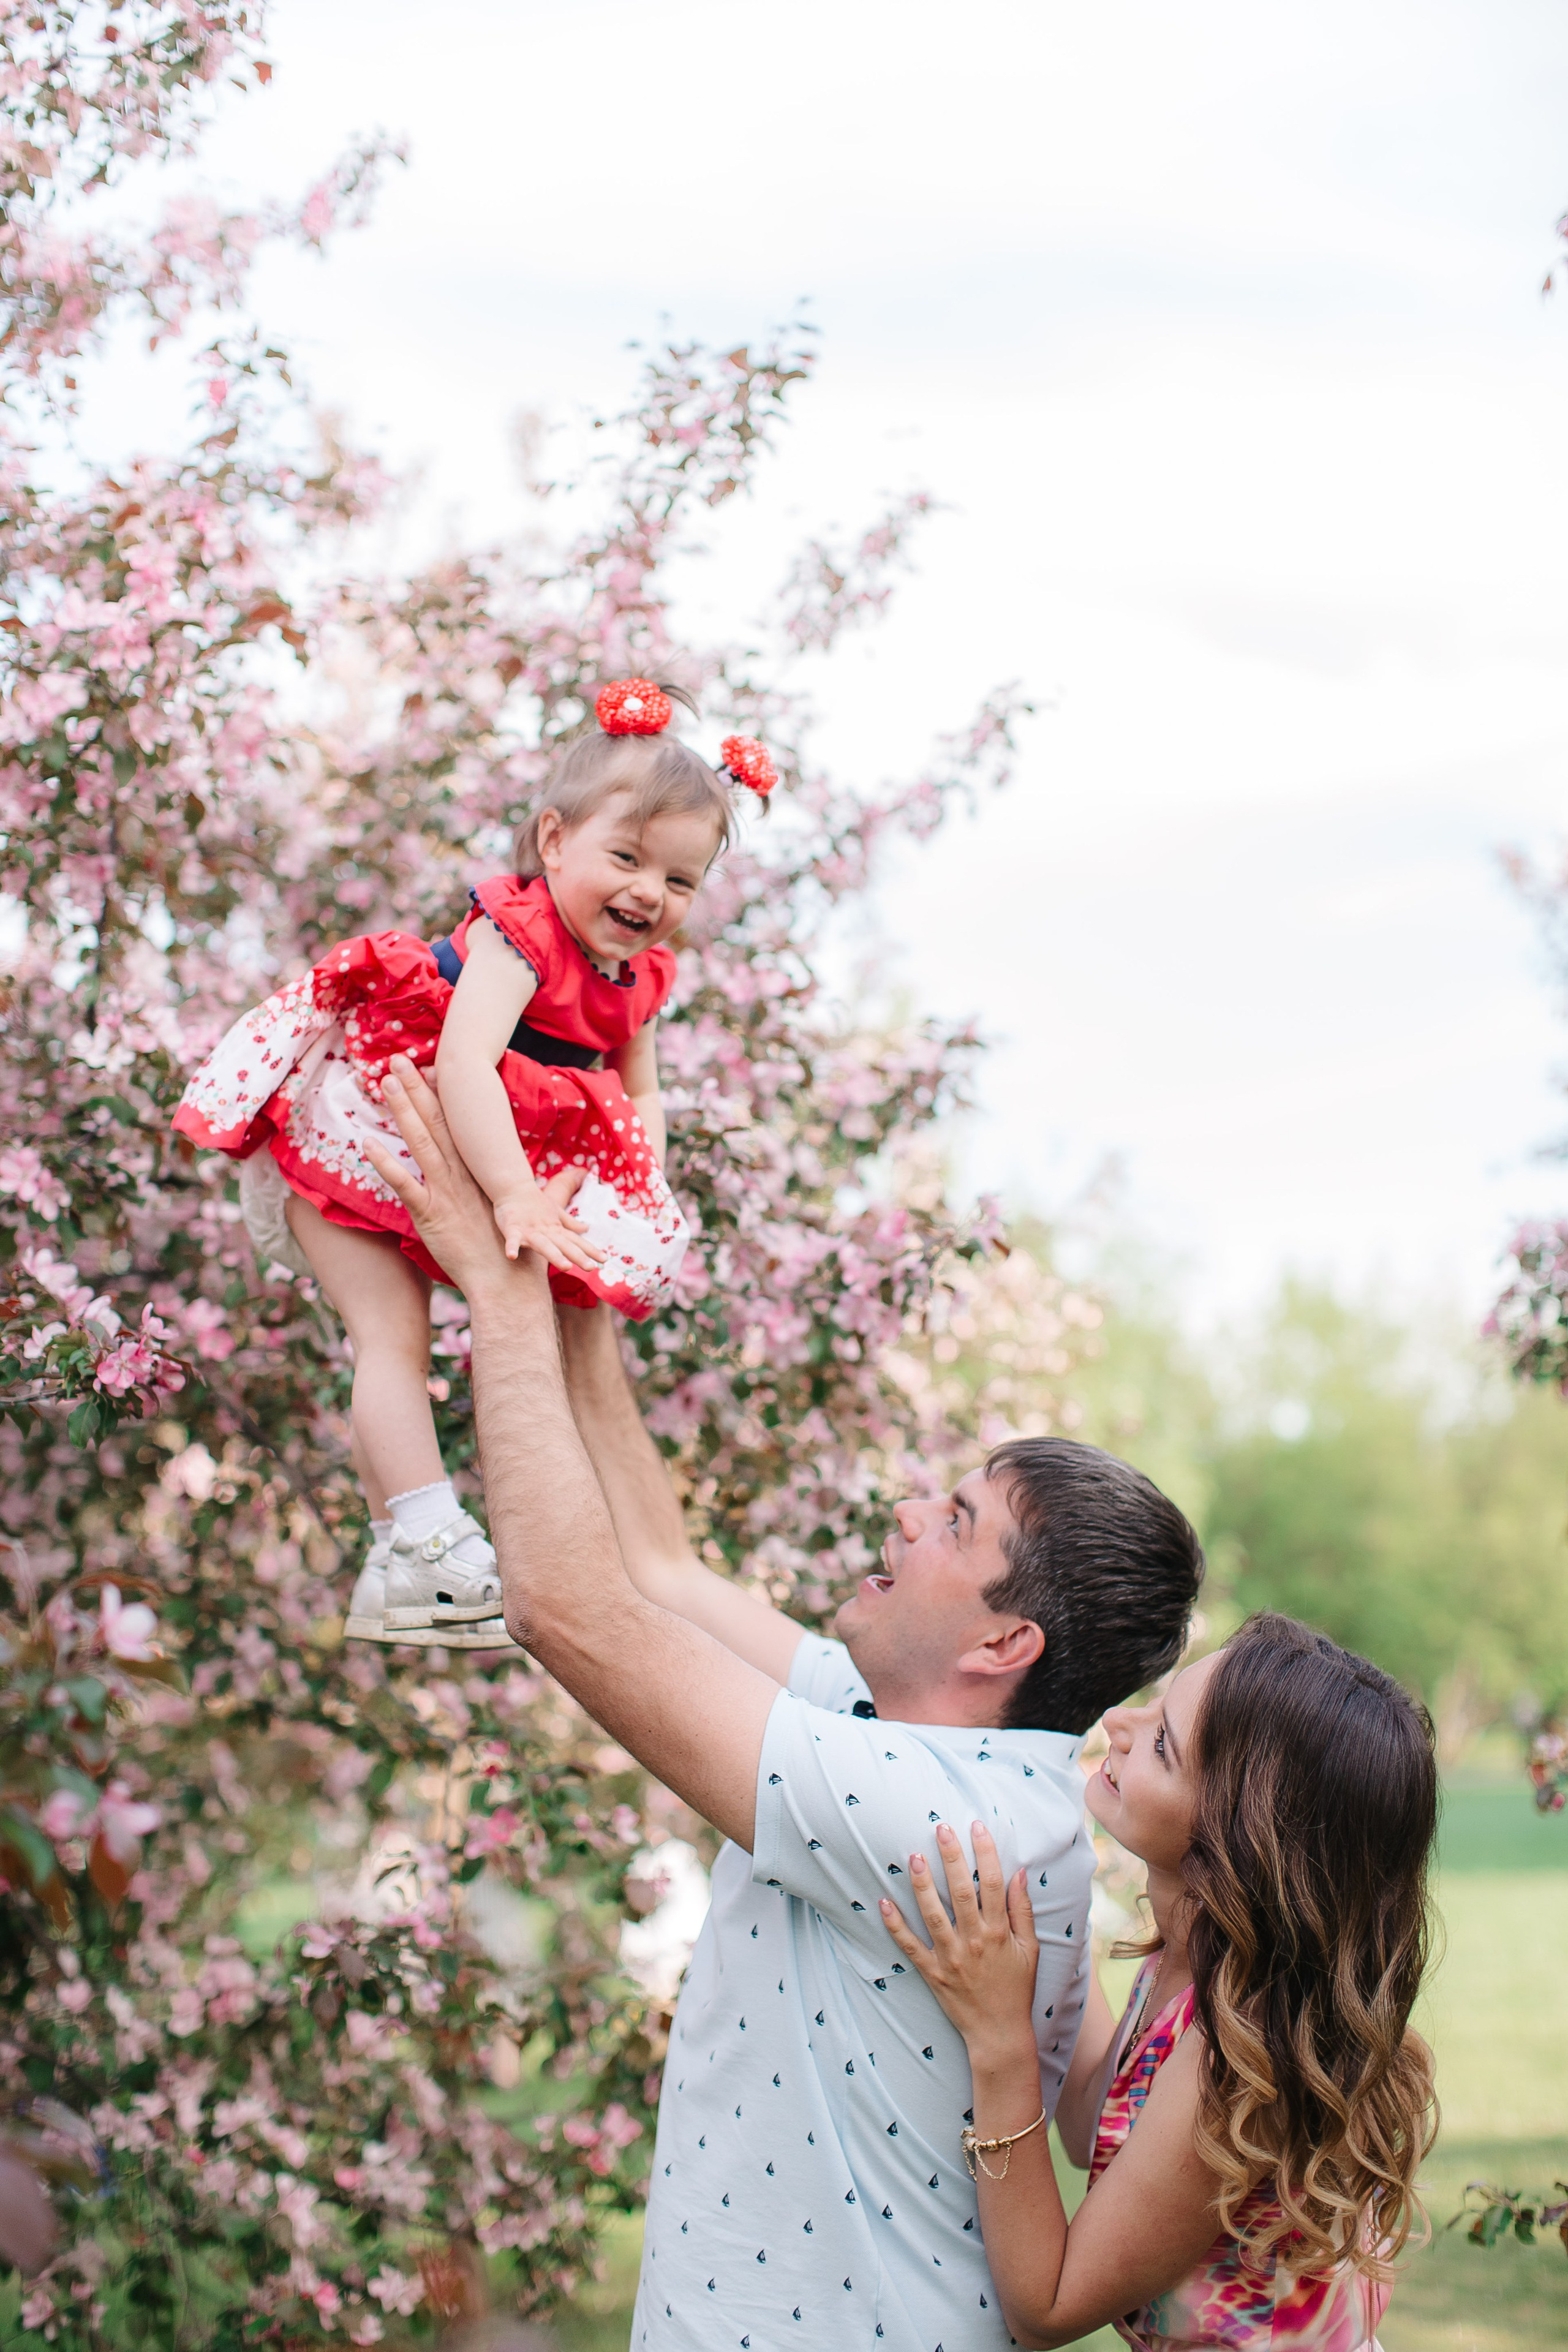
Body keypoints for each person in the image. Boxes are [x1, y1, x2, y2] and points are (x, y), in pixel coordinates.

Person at [363, 1054, 1207, 2352]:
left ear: (1002, 1638)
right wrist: (578, 1311)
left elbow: (568, 1611)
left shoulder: (932, 1821)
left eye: (955, 1519)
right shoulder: (900, 1736)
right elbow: (657, 1570)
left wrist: (496, 1290)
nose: (905, 1512)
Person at [172, 680, 775, 1648]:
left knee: (406, 1344)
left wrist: (637, 1189)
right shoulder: (519, 933)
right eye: (624, 858)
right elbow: (462, 1063)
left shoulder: (640, 978)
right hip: (364, 1134)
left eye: (678, 880)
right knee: (392, 1338)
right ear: (552, 843)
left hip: (445, 1161)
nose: (646, 894)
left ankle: (393, 1573)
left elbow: (642, 1094)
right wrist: (513, 1200)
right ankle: (426, 1534)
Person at [879, 1613, 1438, 2351]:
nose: (1118, 1721)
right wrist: (1049, 1912)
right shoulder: (1198, 1959)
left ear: (1239, 1839)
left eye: (1163, 1744)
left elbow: (1046, 2307)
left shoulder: (1239, 2060)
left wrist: (999, 2040)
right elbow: (1090, 2130)